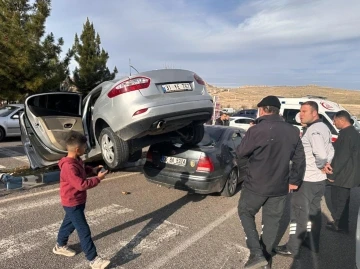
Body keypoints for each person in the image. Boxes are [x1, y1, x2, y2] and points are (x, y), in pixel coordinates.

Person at [236, 96, 306, 269]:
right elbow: (300, 159)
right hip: (280, 186)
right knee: (272, 223)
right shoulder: (292, 131)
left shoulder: (257, 130)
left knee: (245, 211)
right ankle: (266, 260)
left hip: (256, 185)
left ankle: (256, 253)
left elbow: (241, 153)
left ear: (263, 109)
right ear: (278, 111)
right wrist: (294, 180)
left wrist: (247, 170)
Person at [276, 101, 334, 259]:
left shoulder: (314, 130)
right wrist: (326, 164)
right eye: (300, 111)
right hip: (319, 181)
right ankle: (312, 243)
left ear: (314, 113)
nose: (300, 114)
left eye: (304, 111)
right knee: (313, 213)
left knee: (298, 214)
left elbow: (321, 154)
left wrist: (322, 164)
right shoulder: (324, 128)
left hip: (307, 180)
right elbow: (331, 150)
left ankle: (292, 248)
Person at [52, 131, 110, 269]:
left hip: (77, 202)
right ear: (78, 149)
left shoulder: (76, 161)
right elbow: (81, 184)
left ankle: (60, 245)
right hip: (72, 202)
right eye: (84, 147)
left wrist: (94, 170)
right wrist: (98, 179)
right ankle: (94, 259)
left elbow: (83, 170)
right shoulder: (69, 166)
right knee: (84, 231)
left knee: (69, 224)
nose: (86, 149)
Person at [326, 110, 360, 233]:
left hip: (343, 175)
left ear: (341, 120)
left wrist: (332, 175)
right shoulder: (351, 132)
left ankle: (340, 225)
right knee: (343, 200)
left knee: (339, 201)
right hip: (348, 173)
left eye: (334, 121)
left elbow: (342, 157)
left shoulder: (347, 134)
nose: (334, 123)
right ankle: (340, 222)